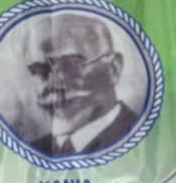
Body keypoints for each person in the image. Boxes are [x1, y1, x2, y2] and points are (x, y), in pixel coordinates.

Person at [19, 13, 137, 158]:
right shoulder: (30, 152)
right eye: (38, 71)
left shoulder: (143, 141)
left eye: (69, 66)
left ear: (113, 69)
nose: (53, 85)